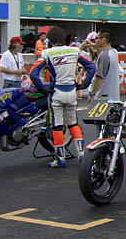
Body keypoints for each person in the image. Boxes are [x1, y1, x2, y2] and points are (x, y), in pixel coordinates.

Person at [30, 26, 95, 167]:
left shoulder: (47, 53)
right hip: (71, 92)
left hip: (56, 93)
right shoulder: (74, 50)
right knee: (73, 124)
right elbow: (91, 66)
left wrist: (42, 88)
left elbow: (33, 73)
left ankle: (60, 158)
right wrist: (85, 83)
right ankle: (81, 155)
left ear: (50, 40)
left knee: (57, 126)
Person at [88, 29, 120, 103]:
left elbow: (99, 77)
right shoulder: (114, 52)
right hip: (113, 96)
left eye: (97, 38)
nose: (95, 40)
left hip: (103, 96)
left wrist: (92, 94)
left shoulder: (104, 55)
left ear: (103, 39)